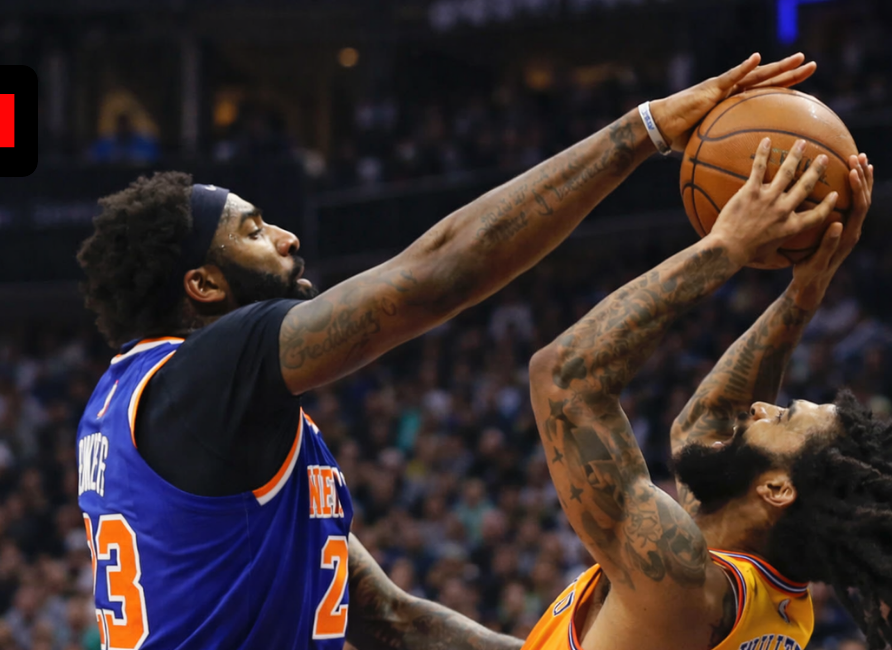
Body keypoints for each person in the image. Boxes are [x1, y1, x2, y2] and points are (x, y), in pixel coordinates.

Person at [74, 53, 818, 649]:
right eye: (252, 229)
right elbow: (435, 275)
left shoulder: (145, 405)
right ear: (201, 284)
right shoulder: (206, 373)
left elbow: (391, 621)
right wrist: (640, 133)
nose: (286, 238)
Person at [526, 139, 892, 650]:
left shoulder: (681, 580)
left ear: (777, 490)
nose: (760, 406)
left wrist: (724, 247)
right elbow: (709, 419)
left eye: (781, 418)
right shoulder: (776, 601)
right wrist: (804, 294)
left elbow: (563, 379)